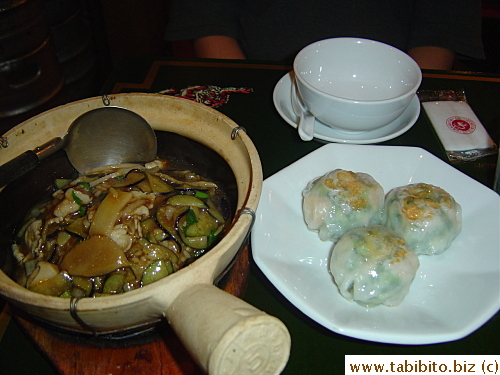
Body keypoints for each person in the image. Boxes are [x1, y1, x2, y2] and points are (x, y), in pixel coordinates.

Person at [164, 0, 485, 70]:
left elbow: (442, 30)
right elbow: (208, 24)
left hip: (397, 90)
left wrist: (395, 96)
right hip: (259, 88)